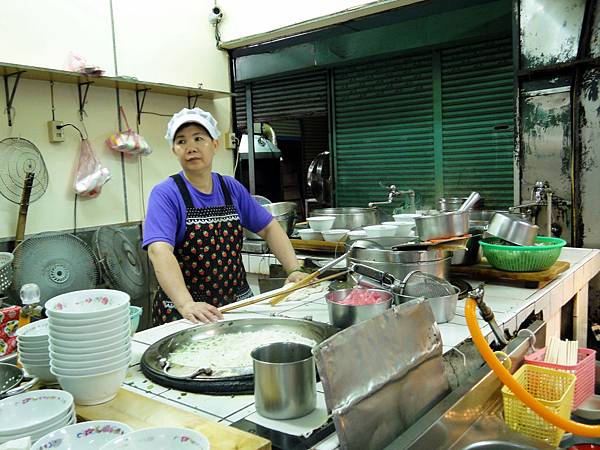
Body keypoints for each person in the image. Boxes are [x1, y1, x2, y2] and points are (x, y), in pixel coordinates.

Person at [143, 108, 308, 326]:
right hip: (189, 314)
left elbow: (269, 227)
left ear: (215, 144)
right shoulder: (166, 193)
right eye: (181, 141)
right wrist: (186, 304)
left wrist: (294, 270)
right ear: (174, 150)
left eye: (198, 138)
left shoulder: (230, 187)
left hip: (237, 306)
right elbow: (159, 250)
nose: (190, 147)